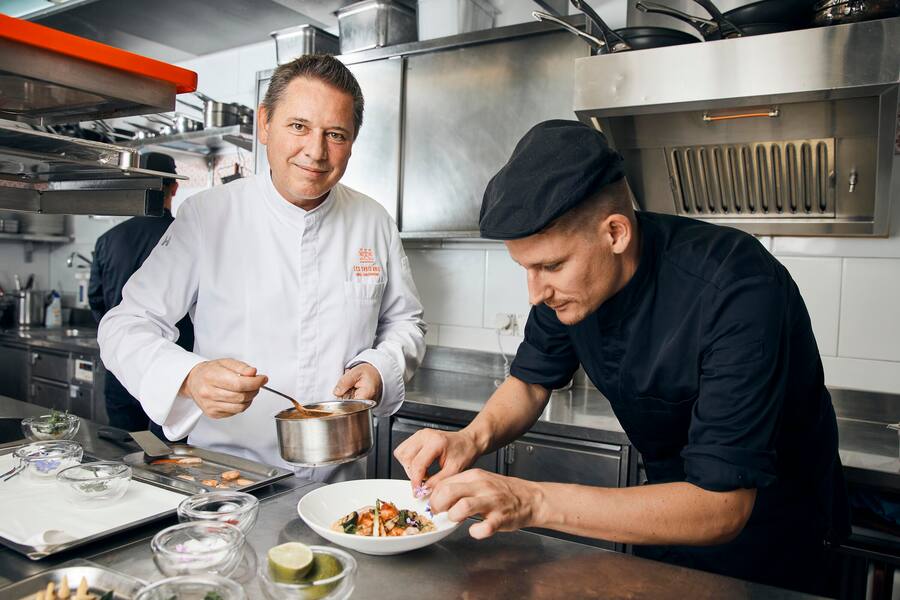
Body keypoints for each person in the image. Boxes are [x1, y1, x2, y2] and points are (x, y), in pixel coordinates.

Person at [394, 120, 849, 594]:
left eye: (550, 266)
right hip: (658, 514)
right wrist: (471, 438)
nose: (535, 291)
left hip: (773, 539)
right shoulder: (567, 290)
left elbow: (723, 507)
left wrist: (530, 500)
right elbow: (530, 382)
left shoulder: (736, 288)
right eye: (526, 268)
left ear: (615, 233)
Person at [99, 54, 426, 481]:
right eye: (299, 126)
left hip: (338, 479)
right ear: (265, 124)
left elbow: (407, 323)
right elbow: (125, 325)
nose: (316, 150)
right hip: (228, 477)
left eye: (336, 134)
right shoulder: (208, 216)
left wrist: (380, 369)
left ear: (352, 142)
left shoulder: (374, 221)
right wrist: (189, 377)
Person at [89, 152, 194, 434]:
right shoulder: (188, 235)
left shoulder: (107, 239)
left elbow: (96, 301)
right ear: (174, 188)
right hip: (177, 378)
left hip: (121, 369)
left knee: (125, 450)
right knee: (166, 461)